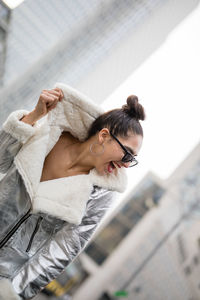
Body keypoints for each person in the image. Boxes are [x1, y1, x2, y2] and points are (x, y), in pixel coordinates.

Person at [0, 82, 146, 300]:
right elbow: (1, 161)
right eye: (127, 154)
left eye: (132, 160)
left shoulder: (102, 193)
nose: (126, 164)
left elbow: (62, 250)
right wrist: (31, 117)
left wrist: (14, 292)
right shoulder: (48, 135)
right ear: (104, 135)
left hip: (4, 275)